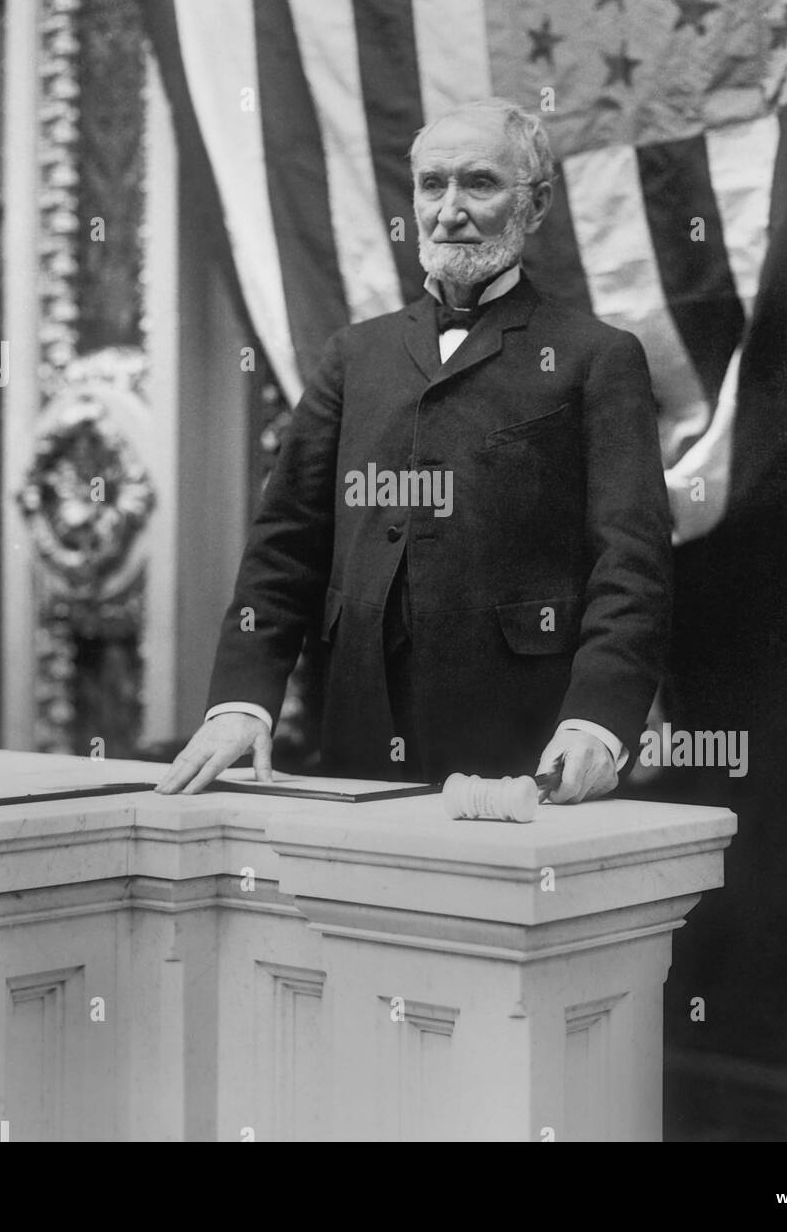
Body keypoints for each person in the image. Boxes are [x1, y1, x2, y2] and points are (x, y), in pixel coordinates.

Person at [157, 98, 672, 805]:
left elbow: (632, 564)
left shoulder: (597, 357)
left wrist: (597, 722)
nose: (450, 210)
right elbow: (284, 548)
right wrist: (242, 703)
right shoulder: (354, 355)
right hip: (359, 728)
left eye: (480, 184)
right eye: (433, 185)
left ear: (537, 203)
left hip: (526, 746)